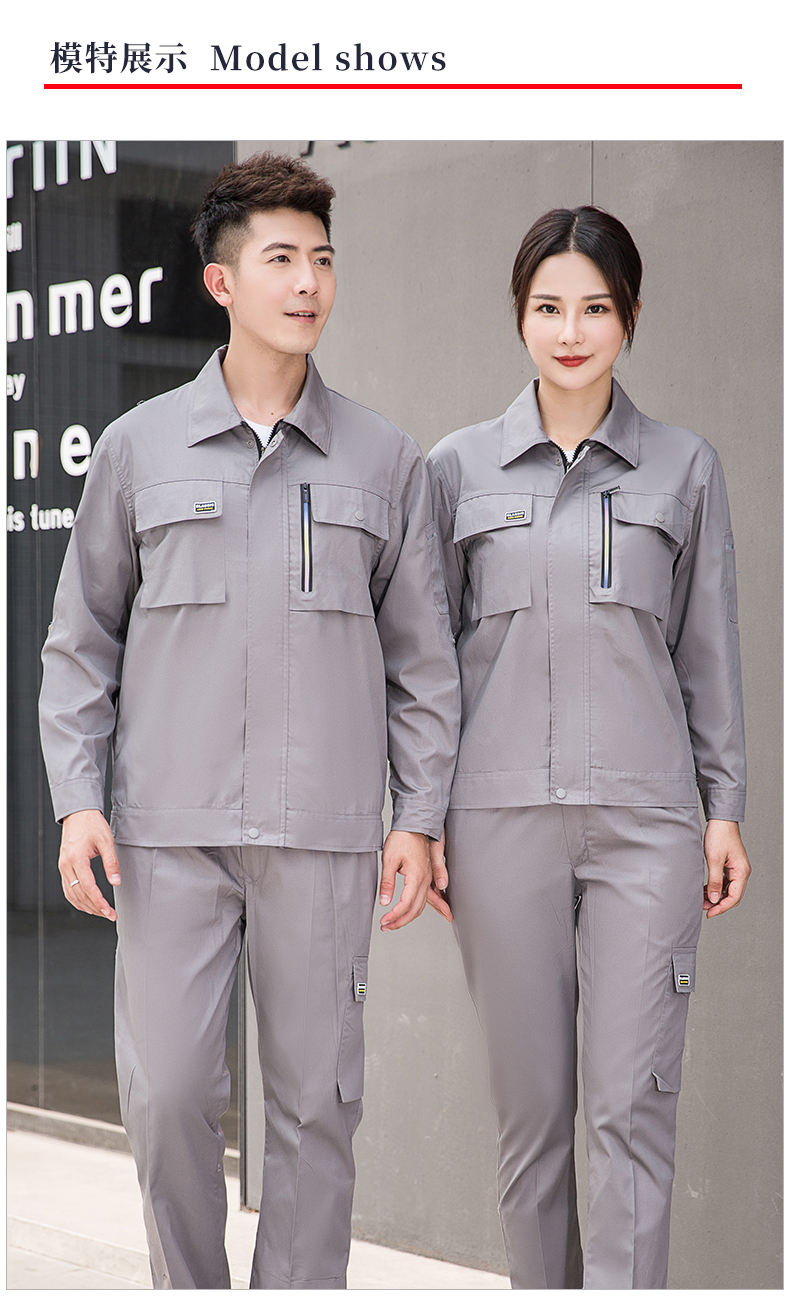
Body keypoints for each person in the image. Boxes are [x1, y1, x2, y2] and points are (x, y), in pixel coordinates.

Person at [39, 151, 460, 1290]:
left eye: (322, 259)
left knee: (317, 1109)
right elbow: (81, 644)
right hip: (169, 837)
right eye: (282, 258)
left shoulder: (385, 459)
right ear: (222, 282)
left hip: (324, 837)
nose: (309, 281)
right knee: (169, 1092)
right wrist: (79, 800)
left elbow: (425, 667)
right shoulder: (137, 449)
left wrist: (418, 817)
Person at [426, 206, 751, 1289]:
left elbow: (708, 652)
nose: (571, 332)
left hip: (647, 830)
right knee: (532, 1126)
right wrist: (420, 821)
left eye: (596, 309)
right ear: (519, 316)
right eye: (549, 307)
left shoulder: (684, 468)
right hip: (498, 826)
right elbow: (427, 669)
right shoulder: (455, 471)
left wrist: (721, 808)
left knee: (628, 1114)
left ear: (631, 317)